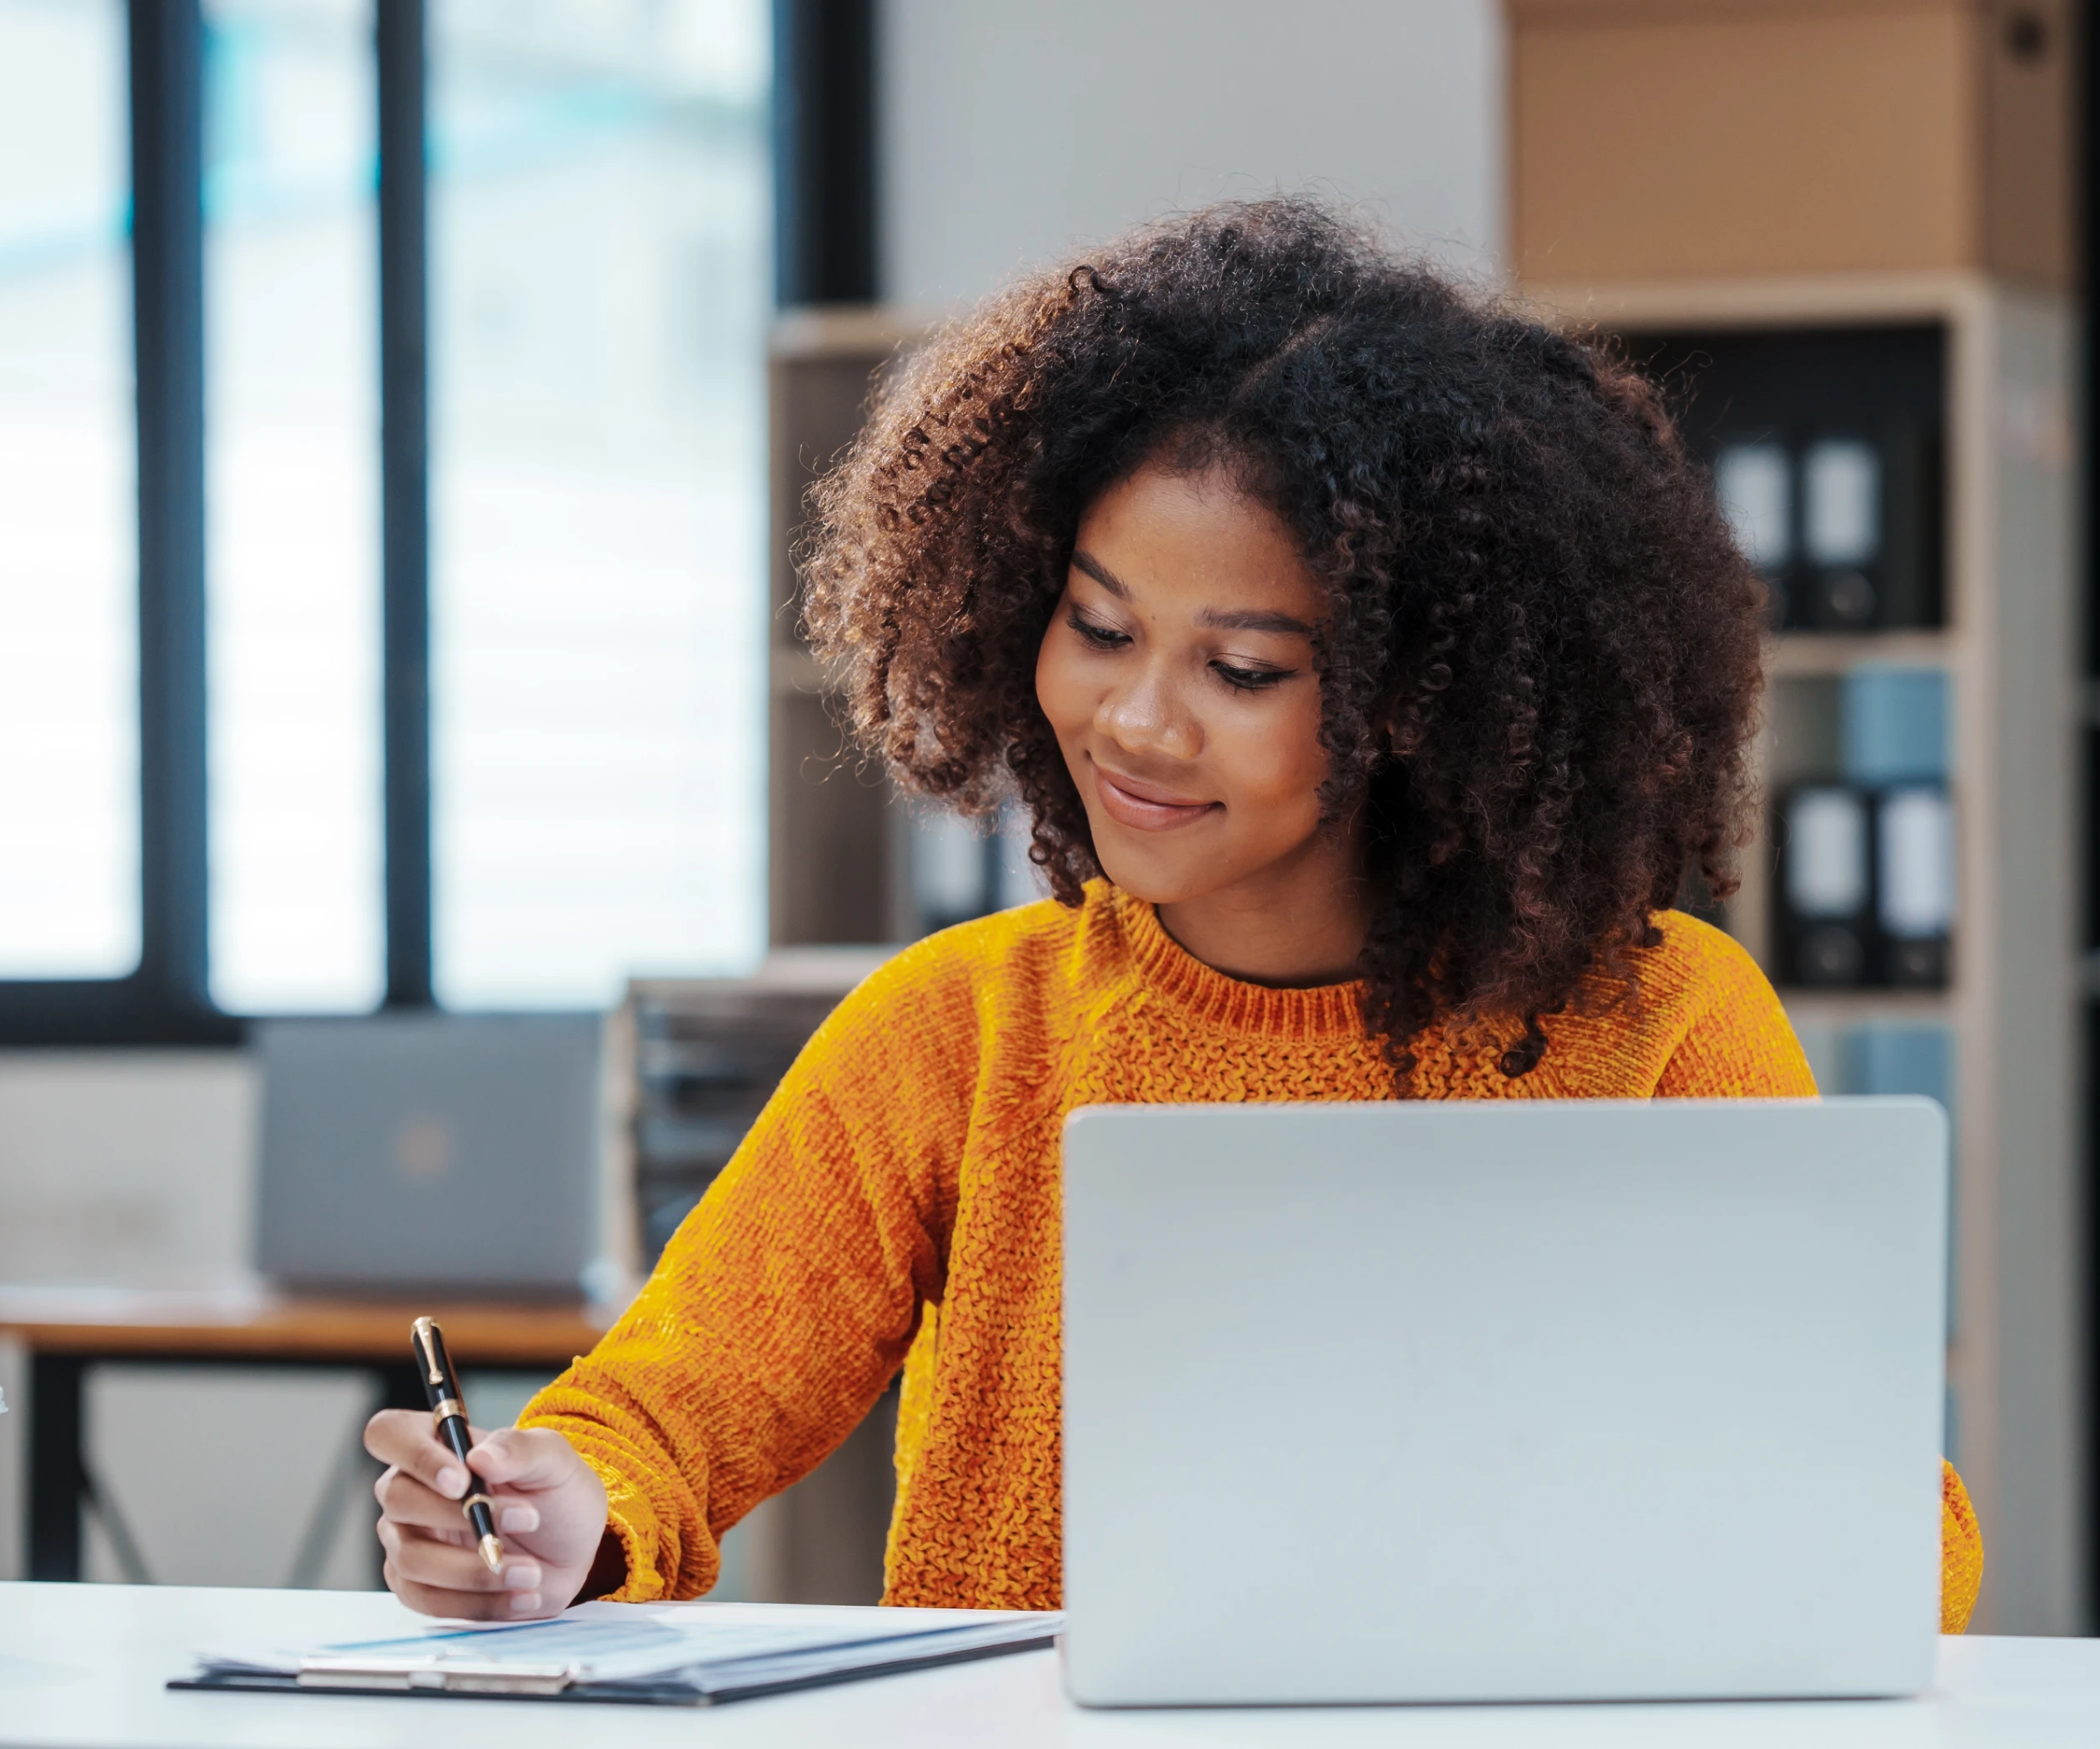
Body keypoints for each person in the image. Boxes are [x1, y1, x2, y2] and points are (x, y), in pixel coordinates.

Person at [365, 199, 1983, 1633]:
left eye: (1241, 668)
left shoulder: (1657, 1022)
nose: (1135, 721)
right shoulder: (958, 1027)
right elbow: (665, 1410)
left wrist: (1787, 1540)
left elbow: (1888, 1539)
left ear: (1417, 694)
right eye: (1096, 627)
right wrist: (553, 1508)